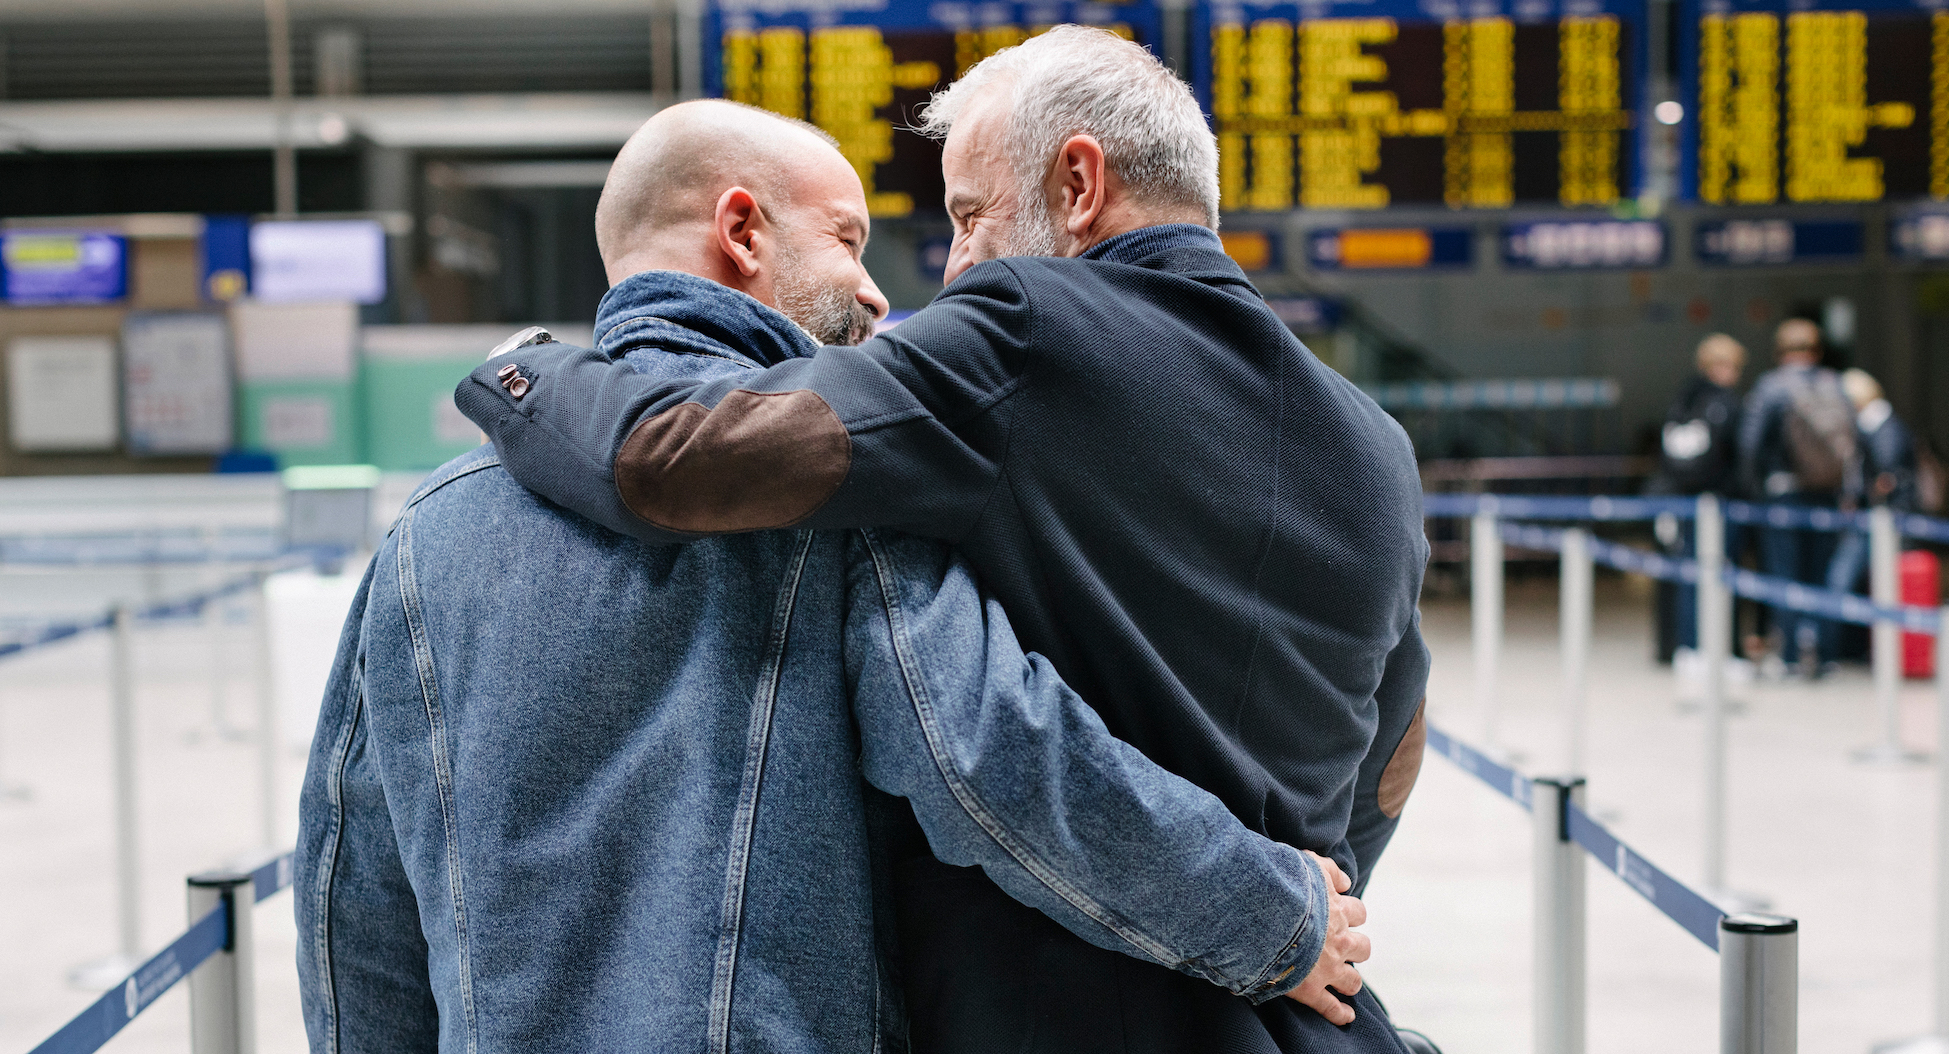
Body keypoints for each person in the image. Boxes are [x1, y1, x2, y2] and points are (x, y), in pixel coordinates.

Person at [296, 101, 1369, 1054]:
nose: (874, 289)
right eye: (846, 238)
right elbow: (997, 764)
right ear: (742, 231)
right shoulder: (834, 508)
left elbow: (352, 897)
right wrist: (1269, 915)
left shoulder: (425, 534)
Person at [1736, 317, 1857, 676]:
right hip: (1827, 495)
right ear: (1817, 351)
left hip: (1783, 496)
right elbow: (1852, 445)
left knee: (1784, 576)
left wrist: (1754, 490)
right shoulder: (1836, 385)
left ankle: (1789, 656)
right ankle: (1824, 655)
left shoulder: (1771, 386)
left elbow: (1749, 444)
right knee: (1822, 576)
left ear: (1780, 351)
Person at [1650, 334, 1745, 656]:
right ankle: (1711, 648)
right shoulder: (1724, 403)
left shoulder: (1683, 399)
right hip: (1717, 501)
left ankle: (1687, 646)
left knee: (1689, 574)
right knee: (1715, 575)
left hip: (1683, 500)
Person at [1819, 368, 1920, 661]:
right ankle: (1854, 649)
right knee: (1868, 584)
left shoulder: (1881, 427)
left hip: (1880, 519)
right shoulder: (1879, 425)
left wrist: (1860, 498)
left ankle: (1831, 651)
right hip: (1881, 518)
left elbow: (1885, 478)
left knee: (1843, 580)